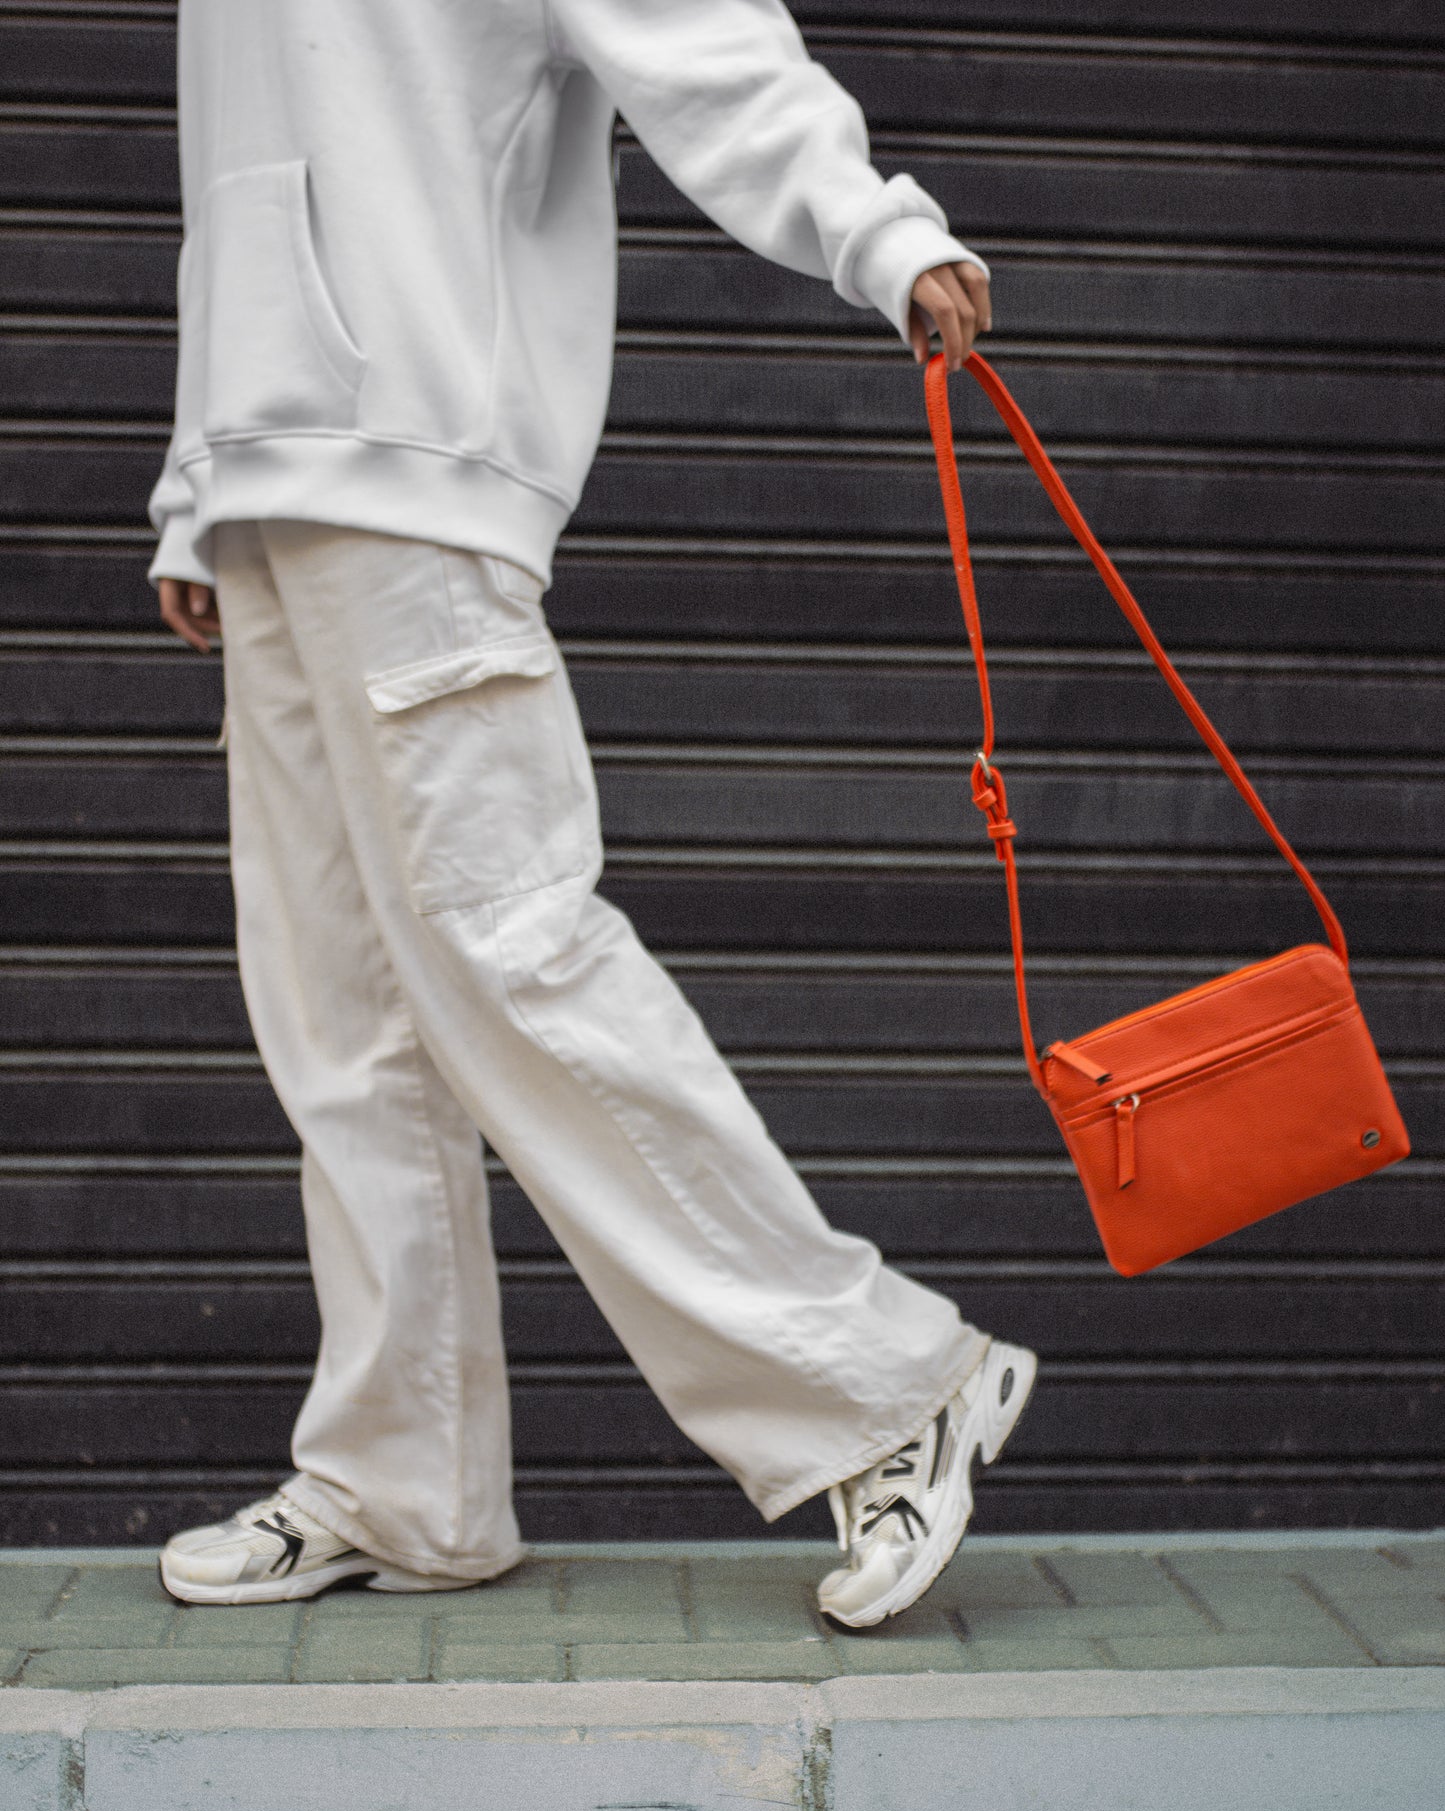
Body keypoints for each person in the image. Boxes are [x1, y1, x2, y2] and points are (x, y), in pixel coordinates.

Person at [150, 0, 1036, 1630]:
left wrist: (874, 225)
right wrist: (200, 481)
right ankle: (399, 1482)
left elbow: (702, 39)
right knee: (340, 1020)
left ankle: (886, 1385)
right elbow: (243, 176)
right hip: (272, 476)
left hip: (422, 453)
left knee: (513, 957)